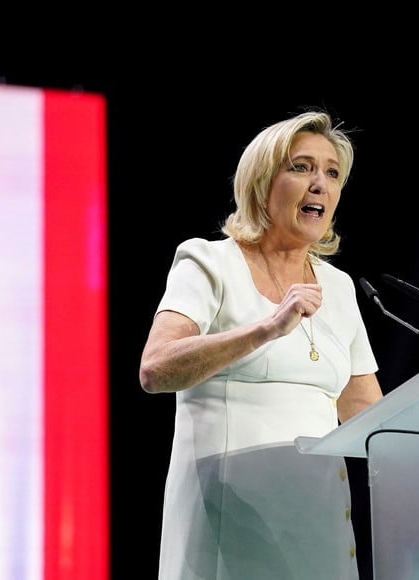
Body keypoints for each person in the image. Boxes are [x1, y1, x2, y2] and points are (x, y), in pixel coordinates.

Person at [139, 109, 384, 580]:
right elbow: (156, 368)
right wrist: (266, 329)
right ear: (261, 182)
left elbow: (368, 416)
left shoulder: (340, 287)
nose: (321, 184)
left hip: (319, 528)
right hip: (229, 520)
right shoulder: (208, 261)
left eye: (332, 173)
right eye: (301, 167)